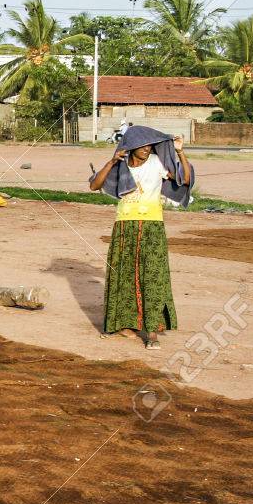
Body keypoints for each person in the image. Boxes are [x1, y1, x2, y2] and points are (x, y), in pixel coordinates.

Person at [89, 126, 194, 349]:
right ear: (131, 147)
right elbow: (94, 185)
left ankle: (153, 333)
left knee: (153, 278)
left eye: (149, 145)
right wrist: (111, 162)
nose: (147, 149)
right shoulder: (121, 165)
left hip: (152, 227)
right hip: (124, 227)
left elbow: (184, 179)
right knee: (123, 276)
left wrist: (180, 152)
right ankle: (124, 324)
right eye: (142, 145)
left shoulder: (157, 163)